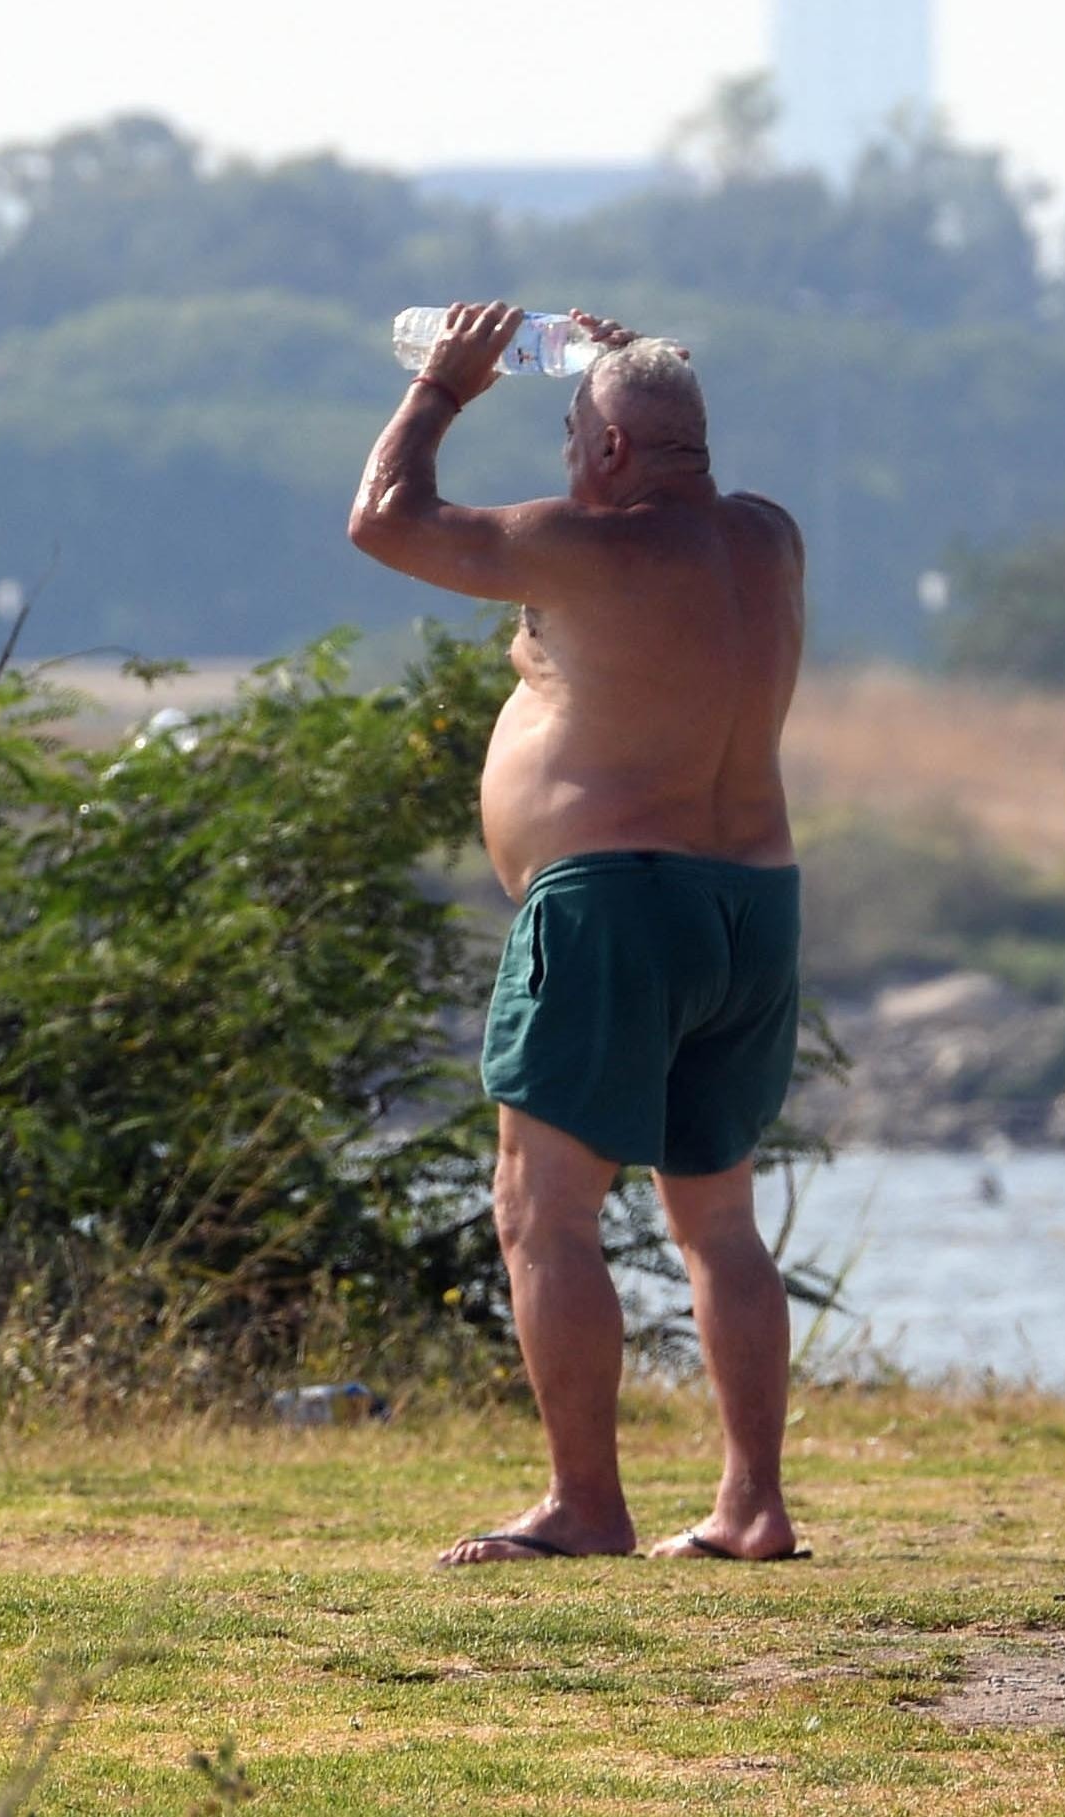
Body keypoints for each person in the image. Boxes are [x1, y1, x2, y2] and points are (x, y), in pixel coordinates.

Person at [347, 301, 810, 1567]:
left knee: (539, 1211)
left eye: (568, 436)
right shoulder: (767, 540)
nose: (558, 461)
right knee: (717, 1222)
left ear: (603, 454)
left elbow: (385, 520)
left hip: (614, 905)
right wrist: (607, 362)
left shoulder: (584, 547)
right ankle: (752, 1506)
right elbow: (629, 577)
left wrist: (443, 389)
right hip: (748, 904)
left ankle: (585, 1506)